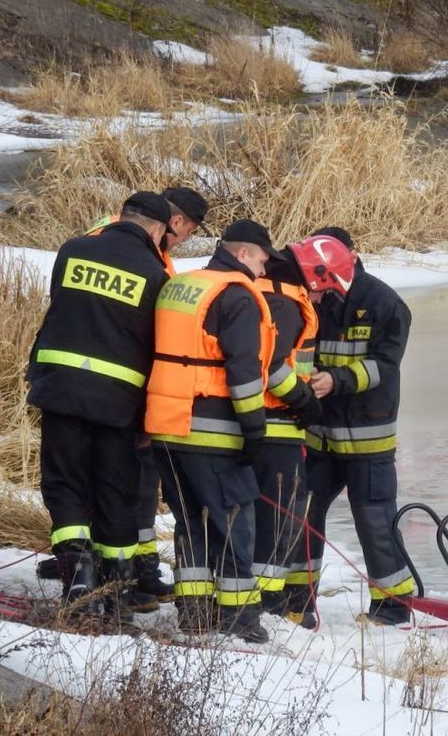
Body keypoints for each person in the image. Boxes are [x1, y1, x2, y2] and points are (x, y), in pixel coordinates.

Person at [26, 192, 173, 617]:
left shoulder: (73, 249)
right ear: (157, 230)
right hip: (119, 404)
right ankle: (118, 592)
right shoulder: (154, 273)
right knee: (115, 492)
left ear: (123, 217)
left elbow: (61, 306)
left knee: (66, 485)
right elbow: (154, 345)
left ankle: (78, 586)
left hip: (62, 392)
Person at [145, 219, 285, 643]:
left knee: (190, 522)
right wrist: (255, 429)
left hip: (166, 428)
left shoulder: (182, 286)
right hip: (213, 430)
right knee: (233, 520)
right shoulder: (237, 295)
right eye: (262, 260)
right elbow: (243, 372)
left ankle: (194, 612)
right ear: (242, 254)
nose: (264, 271)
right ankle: (239, 617)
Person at [84, 187, 211, 605]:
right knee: (127, 484)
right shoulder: (148, 256)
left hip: (90, 378)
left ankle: (137, 571)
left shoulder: (104, 235)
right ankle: (122, 576)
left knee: (129, 484)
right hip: (121, 384)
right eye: (188, 232)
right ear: (175, 224)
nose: (185, 240)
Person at [285, 227, 416, 628]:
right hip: (320, 432)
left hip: (366, 436)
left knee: (373, 518)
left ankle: (392, 607)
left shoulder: (386, 303)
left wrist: (336, 381)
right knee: (302, 514)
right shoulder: (312, 297)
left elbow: (384, 366)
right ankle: (296, 601)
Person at [244, 240, 335, 615]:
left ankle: (253, 595)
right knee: (277, 518)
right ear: (313, 278)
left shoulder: (259, 290)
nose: (320, 301)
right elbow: (272, 365)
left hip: (252, 422)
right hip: (276, 426)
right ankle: (269, 600)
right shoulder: (285, 302)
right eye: (323, 292)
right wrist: (305, 400)